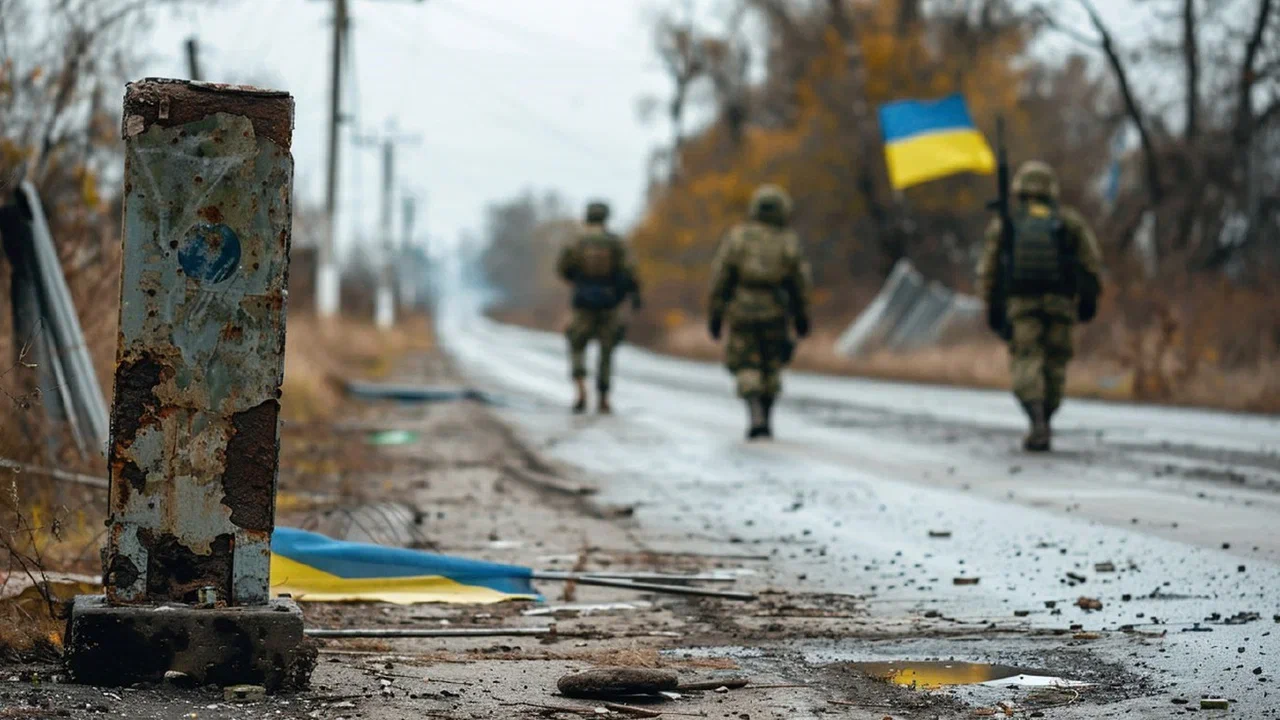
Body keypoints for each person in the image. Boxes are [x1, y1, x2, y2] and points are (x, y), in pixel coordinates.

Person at [977, 161, 1103, 452]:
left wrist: (991, 304)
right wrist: (1089, 299)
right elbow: (1091, 263)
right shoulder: (1069, 221)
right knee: (1055, 363)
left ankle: (1036, 420)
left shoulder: (1007, 222)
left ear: (1020, 189)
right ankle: (1046, 417)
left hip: (1021, 306)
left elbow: (989, 269)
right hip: (1061, 305)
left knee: (1027, 359)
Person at [707, 184, 811, 440]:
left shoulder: (738, 237)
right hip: (775, 310)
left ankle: (755, 413)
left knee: (745, 363)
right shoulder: (787, 240)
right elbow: (800, 282)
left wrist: (716, 314)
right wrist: (801, 315)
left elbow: (721, 277)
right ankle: (766, 416)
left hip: (742, 309)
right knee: (771, 364)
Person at [556, 200, 641, 414]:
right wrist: (632, 295)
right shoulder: (615, 242)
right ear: (605, 217)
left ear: (588, 216)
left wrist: (579, 282)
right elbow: (628, 271)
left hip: (583, 301)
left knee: (577, 344)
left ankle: (580, 389)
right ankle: (603, 398)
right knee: (607, 349)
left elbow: (563, 268)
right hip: (609, 302)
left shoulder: (577, 241)